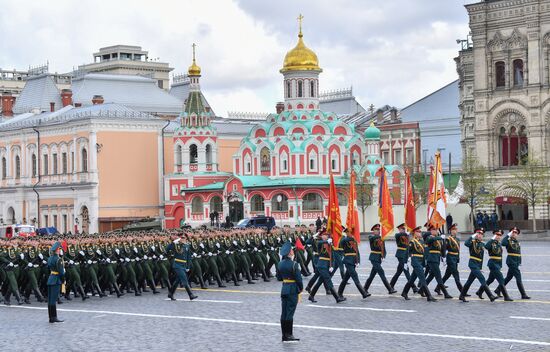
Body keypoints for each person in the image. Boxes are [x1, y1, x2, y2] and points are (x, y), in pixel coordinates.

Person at [459, 229, 497, 302]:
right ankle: (491, 296)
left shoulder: (482, 244)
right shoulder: (472, 242)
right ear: (476, 235)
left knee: (469, 281)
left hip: (477, 264)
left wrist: (480, 267)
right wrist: (472, 236)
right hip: (473, 263)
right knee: (482, 278)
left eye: (481, 234)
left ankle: (462, 295)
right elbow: (466, 243)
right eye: (479, 234)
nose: (480, 235)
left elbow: (481, 256)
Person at [307, 230, 345, 303]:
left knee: (320, 281)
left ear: (328, 237)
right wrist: (327, 242)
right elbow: (319, 242)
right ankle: (337, 298)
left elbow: (333, 256)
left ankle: (311, 296)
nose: (324, 236)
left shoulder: (331, 245)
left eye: (326, 235)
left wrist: (332, 266)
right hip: (321, 264)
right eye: (323, 235)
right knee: (328, 280)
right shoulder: (320, 243)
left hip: (327, 265)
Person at [476, 229, 513, 301]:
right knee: (501, 279)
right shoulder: (491, 243)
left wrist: (500, 266)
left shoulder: (499, 243)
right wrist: (492, 239)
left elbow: (500, 256)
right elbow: (486, 247)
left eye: (499, 235)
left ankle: (479, 291)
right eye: (497, 235)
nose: (498, 236)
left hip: (497, 264)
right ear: (494, 235)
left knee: (490, 279)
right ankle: (506, 296)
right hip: (493, 263)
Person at [401, 226, 436, 302]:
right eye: (418, 232)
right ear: (414, 233)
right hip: (415, 261)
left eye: (420, 232)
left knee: (412, 279)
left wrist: (424, 264)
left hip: (420, 261)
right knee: (423, 278)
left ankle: (404, 292)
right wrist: (405, 262)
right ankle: (429, 296)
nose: (420, 233)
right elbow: (407, 252)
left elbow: (423, 253)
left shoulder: (422, 242)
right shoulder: (412, 242)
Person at [277, 241, 303, 342]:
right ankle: (289, 334)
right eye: (292, 250)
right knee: (290, 312)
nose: (293, 251)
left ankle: (284, 335)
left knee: (284, 312)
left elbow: (279, 278)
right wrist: (300, 288)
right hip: (292, 289)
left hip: (284, 289)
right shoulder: (294, 264)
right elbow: (299, 279)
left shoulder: (280, 264)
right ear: (289, 253)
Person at [363, 224, 396, 295]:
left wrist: (383, 256)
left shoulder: (381, 238)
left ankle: (365, 288)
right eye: (376, 230)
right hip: (373, 258)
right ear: (373, 231)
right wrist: (382, 236)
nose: (378, 231)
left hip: (379, 258)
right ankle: (390, 289)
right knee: (381, 272)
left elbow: (384, 248)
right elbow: (374, 239)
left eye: (378, 230)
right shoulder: (371, 237)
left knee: (372, 275)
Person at [497, 227, 530, 299]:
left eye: (516, 233)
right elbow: (503, 243)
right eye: (513, 232)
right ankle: (523, 294)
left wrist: (519, 261)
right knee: (518, 277)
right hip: (511, 261)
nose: (514, 234)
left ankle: (498, 289)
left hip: (516, 261)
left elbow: (519, 252)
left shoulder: (517, 242)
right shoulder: (508, 240)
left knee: (509, 277)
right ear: (510, 233)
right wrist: (508, 235)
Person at [337, 227, 369, 299]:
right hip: (348, 260)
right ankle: (363, 293)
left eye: (351, 232)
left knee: (345, 279)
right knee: (355, 275)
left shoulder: (354, 240)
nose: (350, 233)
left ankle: (339, 293)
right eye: (348, 232)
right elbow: (342, 243)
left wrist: (358, 261)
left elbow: (357, 251)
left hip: (353, 260)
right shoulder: (344, 240)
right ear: (346, 233)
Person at [166, 235, 197, 301]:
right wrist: (173, 242)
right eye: (181, 238)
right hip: (177, 265)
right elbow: (167, 249)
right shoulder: (175, 245)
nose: (182, 239)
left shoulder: (187, 245)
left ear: (186, 238)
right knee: (184, 279)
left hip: (183, 265)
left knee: (177, 280)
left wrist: (188, 266)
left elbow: (189, 257)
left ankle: (170, 294)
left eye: (183, 238)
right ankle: (191, 295)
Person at [424, 225, 452, 298]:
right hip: (432, 259)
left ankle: (421, 289)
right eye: (434, 230)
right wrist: (440, 237)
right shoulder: (429, 237)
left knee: (431, 276)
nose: (435, 231)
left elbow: (442, 248)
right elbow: (429, 241)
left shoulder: (438, 239)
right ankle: (446, 294)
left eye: (436, 230)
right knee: (438, 277)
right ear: (431, 231)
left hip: (437, 259)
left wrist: (443, 257)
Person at [437, 223, 464, 294]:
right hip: (450, 258)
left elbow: (458, 250)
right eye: (454, 229)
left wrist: (458, 259)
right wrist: (444, 257)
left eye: (456, 229)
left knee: (447, 275)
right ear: (451, 231)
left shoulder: (457, 239)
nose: (455, 231)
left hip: (455, 258)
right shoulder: (448, 239)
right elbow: (443, 249)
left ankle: (438, 287)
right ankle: (462, 291)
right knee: (456, 274)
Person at [389, 224, 416, 292]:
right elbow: (397, 236)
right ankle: (414, 287)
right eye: (401, 229)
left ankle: (390, 286)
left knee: (399, 272)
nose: (403, 230)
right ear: (399, 229)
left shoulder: (407, 236)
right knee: (406, 270)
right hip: (400, 254)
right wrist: (405, 233)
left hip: (405, 254)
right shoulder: (398, 235)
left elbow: (409, 244)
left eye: (404, 229)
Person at [47, 241, 65, 323]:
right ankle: (54, 317)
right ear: (57, 250)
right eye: (59, 249)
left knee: (50, 299)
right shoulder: (58, 259)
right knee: (53, 299)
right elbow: (61, 272)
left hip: (50, 278)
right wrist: (63, 280)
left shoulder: (50, 258)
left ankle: (51, 317)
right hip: (56, 280)